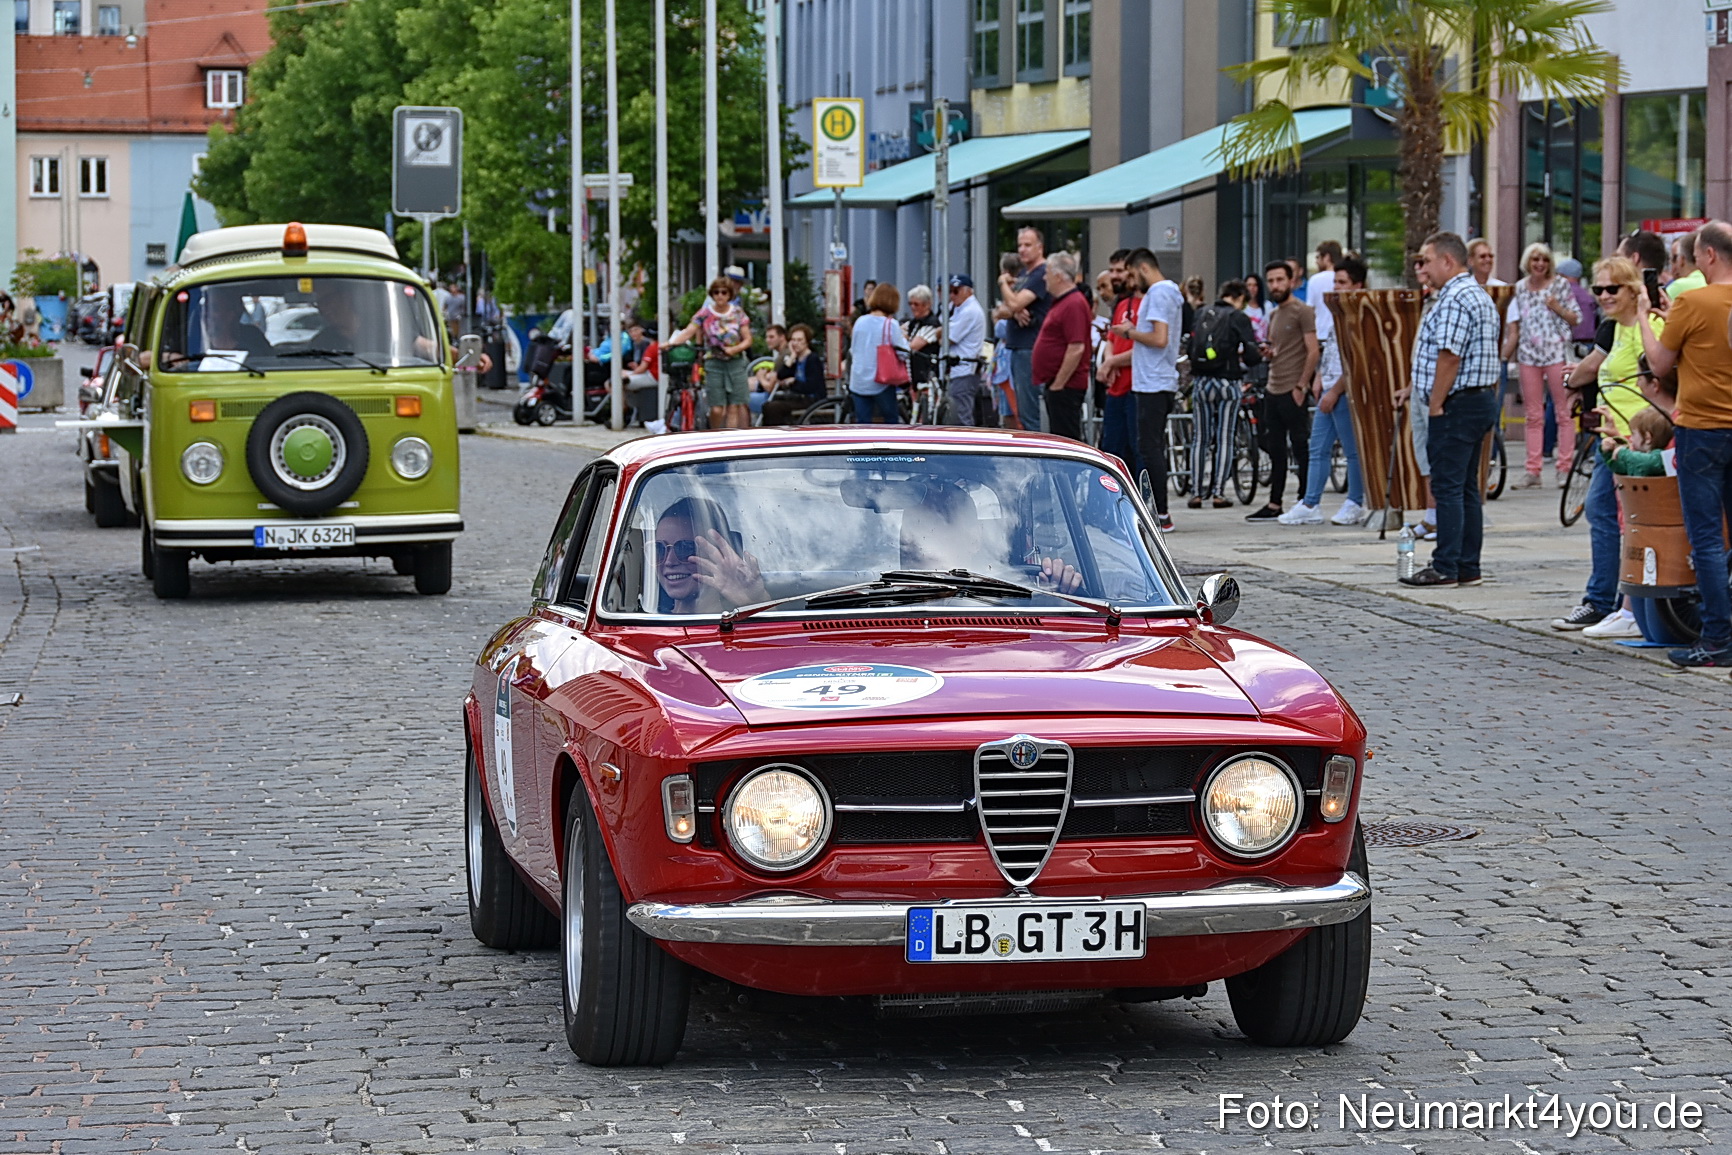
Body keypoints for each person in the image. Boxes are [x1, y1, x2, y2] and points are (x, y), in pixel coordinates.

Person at [1636, 218, 1732, 667]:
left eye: (1695, 255)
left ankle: (1716, 639)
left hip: (1703, 429)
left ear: (1709, 255)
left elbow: (1658, 364)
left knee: (1707, 539)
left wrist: (1643, 318)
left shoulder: (1693, 300)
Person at [1552, 257, 1664, 633]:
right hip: (1610, 436)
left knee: (1629, 518)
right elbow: (1596, 368)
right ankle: (1610, 601)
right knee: (1605, 512)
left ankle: (1617, 603)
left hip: (1644, 437)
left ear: (1633, 289)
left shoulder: (1650, 325)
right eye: (1598, 289)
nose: (1602, 296)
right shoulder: (1611, 329)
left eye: (1611, 288)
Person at [1400, 231, 1502, 588]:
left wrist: (1437, 403)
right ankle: (1466, 565)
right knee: (1466, 487)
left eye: (1427, 260)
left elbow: (1450, 355)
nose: (1422, 268)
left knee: (1447, 486)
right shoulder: (1477, 294)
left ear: (1447, 261)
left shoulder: (1455, 298)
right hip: (1478, 399)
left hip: (1457, 403)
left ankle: (1446, 565)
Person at [1283, 254, 1368, 525]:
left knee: (1351, 449)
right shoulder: (1337, 314)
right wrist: (1320, 377)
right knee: (1317, 446)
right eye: (1336, 282)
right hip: (1329, 385)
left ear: (1357, 285)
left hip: (1344, 392)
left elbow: (1356, 360)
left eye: (1343, 282)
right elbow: (1332, 350)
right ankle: (1310, 502)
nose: (1337, 287)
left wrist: (1335, 390)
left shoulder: (1360, 317)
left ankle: (1355, 500)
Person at [1113, 247, 1182, 532]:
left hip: (1153, 381)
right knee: (1150, 446)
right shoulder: (1170, 292)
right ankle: (1158, 510)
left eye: (1131, 274)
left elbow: (1159, 338)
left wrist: (1128, 332)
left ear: (1143, 268)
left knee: (1149, 448)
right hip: (1157, 379)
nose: (1131, 282)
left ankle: (1160, 513)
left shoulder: (1157, 293)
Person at [1503, 242, 1582, 488]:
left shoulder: (1560, 285)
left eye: (1544, 260)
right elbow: (1514, 324)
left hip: (1556, 352)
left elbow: (1576, 318)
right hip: (1529, 355)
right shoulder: (1519, 288)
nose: (1539, 264)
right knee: (1533, 415)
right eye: (1535, 259)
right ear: (1528, 262)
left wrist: (1556, 307)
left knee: (1563, 412)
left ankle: (1564, 467)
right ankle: (1533, 470)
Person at [1245, 260, 1317, 521]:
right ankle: (1275, 502)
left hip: (1293, 388)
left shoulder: (1303, 311)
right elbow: (1278, 348)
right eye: (1271, 281)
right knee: (1274, 448)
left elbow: (1313, 350)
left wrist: (1302, 385)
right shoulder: (1273, 314)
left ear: (1291, 281)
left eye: (1280, 280)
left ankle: (1306, 499)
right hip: (1273, 387)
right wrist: (1269, 352)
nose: (1275, 285)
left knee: (1300, 445)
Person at [1185, 280, 1261, 510]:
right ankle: (1218, 492)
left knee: (1200, 437)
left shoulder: (1201, 313)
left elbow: (1190, 348)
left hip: (1201, 383)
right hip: (1228, 382)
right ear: (1239, 297)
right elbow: (1251, 354)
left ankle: (1196, 492)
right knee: (1225, 435)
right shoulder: (1237, 317)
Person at [653, 497, 768, 615]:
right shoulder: (645, 620)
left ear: (721, 553)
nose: (669, 561)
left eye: (685, 548)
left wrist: (754, 603)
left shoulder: (736, 621)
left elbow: (772, 631)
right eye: (659, 549)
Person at [667, 277, 753, 429]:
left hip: (735, 362)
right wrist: (670, 344)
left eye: (724, 292)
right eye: (716, 292)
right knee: (717, 407)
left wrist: (735, 349)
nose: (720, 295)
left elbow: (747, 339)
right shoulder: (705, 313)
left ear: (729, 294)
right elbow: (689, 331)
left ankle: (730, 441)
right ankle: (715, 434)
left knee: (734, 406)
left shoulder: (738, 313)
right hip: (714, 361)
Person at [993, 227, 1052, 431]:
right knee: (1020, 409)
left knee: (1029, 411)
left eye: (1028, 245)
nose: (1022, 250)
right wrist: (1015, 310)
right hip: (1018, 346)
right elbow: (1000, 311)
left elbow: (1015, 303)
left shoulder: (1041, 274)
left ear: (1040, 247)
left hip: (1030, 346)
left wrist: (1003, 283)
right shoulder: (1025, 274)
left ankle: (1038, 456)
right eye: (1020, 245)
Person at [1032, 252, 1093, 441]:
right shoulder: (1064, 302)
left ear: (1058, 276)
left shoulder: (1073, 303)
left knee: (1066, 439)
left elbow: (1076, 347)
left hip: (1066, 386)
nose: (1044, 277)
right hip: (1059, 384)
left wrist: (1059, 383)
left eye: (1047, 272)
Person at [1096, 250, 1142, 476]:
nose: (1114, 276)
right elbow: (1112, 339)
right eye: (1111, 270)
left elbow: (1143, 346)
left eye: (1120, 271)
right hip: (1116, 388)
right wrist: (1109, 363)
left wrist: (1110, 362)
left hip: (1135, 386)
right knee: (1111, 449)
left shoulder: (1144, 303)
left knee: (1136, 450)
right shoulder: (1123, 304)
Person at [849, 281, 909, 424]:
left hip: (858, 380)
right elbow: (904, 353)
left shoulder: (860, 321)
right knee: (891, 421)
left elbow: (853, 349)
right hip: (881, 381)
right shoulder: (890, 324)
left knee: (862, 423)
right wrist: (904, 338)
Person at [944, 274, 988, 426]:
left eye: (956, 291)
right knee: (958, 412)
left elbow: (947, 338)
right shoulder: (958, 309)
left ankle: (968, 448)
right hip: (960, 369)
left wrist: (938, 331)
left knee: (961, 415)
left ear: (968, 291)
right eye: (950, 291)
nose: (952, 296)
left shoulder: (969, 310)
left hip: (964, 369)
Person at [761, 323, 825, 426]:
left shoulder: (812, 359)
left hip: (811, 399)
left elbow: (811, 386)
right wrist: (792, 357)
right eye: (793, 340)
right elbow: (781, 375)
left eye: (799, 340)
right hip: (798, 396)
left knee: (773, 408)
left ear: (807, 342)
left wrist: (793, 382)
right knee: (768, 405)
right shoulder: (796, 359)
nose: (796, 343)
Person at [1557, 257, 1598, 357]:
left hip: (1572, 345)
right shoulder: (1586, 293)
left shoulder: (1564, 292)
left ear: (1562, 275)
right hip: (1590, 343)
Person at [903, 285, 942, 383]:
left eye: (916, 304)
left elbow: (912, 347)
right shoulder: (914, 323)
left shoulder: (931, 324)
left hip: (926, 377)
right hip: (913, 376)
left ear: (927, 305)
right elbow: (899, 331)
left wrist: (904, 338)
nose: (912, 307)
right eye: (910, 304)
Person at [1668, 230, 1706, 300]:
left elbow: (1653, 310)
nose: (1673, 268)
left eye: (1675, 259)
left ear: (1681, 259)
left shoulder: (1678, 286)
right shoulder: (1713, 281)